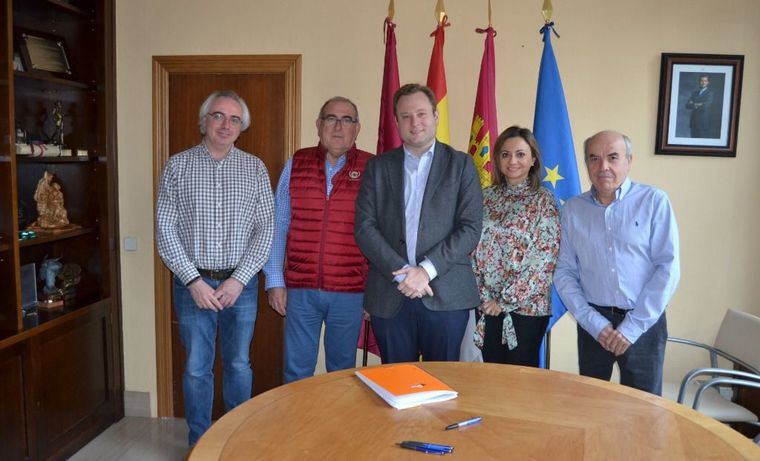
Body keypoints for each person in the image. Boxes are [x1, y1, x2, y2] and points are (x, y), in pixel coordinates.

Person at [156, 90, 274, 445]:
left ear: (242, 127)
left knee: (239, 364)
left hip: (242, 284)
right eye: (219, 116)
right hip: (193, 285)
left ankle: (236, 440)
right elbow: (165, 228)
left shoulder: (255, 168)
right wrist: (192, 280)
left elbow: (266, 229)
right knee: (196, 367)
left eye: (235, 119)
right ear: (204, 121)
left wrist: (239, 280)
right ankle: (200, 443)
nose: (226, 125)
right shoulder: (177, 166)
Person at [354, 83, 483, 363]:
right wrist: (402, 274)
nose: (415, 122)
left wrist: (425, 270)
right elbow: (365, 227)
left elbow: (470, 228)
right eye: (406, 116)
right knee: (397, 386)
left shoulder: (461, 165)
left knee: (444, 386)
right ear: (397, 121)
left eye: (422, 114)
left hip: (447, 294)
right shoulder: (377, 167)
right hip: (391, 293)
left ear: (436, 116)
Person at [554, 130, 680, 395]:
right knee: (593, 407)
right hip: (593, 323)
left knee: (643, 412)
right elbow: (564, 272)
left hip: (644, 323)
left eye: (613, 157)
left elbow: (668, 268)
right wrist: (594, 323)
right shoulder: (573, 210)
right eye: (594, 159)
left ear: (629, 161)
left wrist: (630, 329)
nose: (604, 167)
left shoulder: (654, 202)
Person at [263, 96, 372, 383]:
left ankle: (337, 429)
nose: (338, 126)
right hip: (300, 291)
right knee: (296, 372)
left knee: (342, 372)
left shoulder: (372, 168)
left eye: (346, 119)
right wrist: (274, 279)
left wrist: (375, 291)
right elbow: (279, 223)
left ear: (357, 128)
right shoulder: (296, 163)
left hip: (350, 292)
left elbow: (380, 232)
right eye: (330, 118)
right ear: (318, 125)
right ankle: (299, 429)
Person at [470, 126, 560, 367]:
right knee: (489, 381)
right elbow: (471, 248)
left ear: (533, 160)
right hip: (486, 306)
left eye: (520, 154)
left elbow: (543, 260)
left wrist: (505, 301)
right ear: (498, 159)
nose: (512, 161)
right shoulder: (485, 197)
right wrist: (486, 297)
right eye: (505, 154)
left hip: (526, 311)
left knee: (519, 386)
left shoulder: (543, 200)